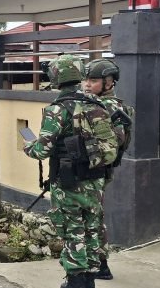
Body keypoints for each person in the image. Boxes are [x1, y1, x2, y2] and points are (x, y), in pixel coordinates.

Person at [24, 55, 119, 288]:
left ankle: (76, 281)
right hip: (96, 179)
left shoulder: (57, 109)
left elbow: (42, 150)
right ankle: (89, 279)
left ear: (56, 77)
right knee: (91, 228)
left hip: (69, 182)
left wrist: (28, 145)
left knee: (73, 230)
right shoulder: (98, 104)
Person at [82, 58, 134, 281]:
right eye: (86, 80)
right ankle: (99, 263)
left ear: (109, 82)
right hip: (97, 169)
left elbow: (115, 143)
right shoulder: (98, 104)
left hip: (97, 170)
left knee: (92, 216)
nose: (86, 85)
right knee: (94, 214)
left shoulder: (108, 107)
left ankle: (98, 265)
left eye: (93, 81)